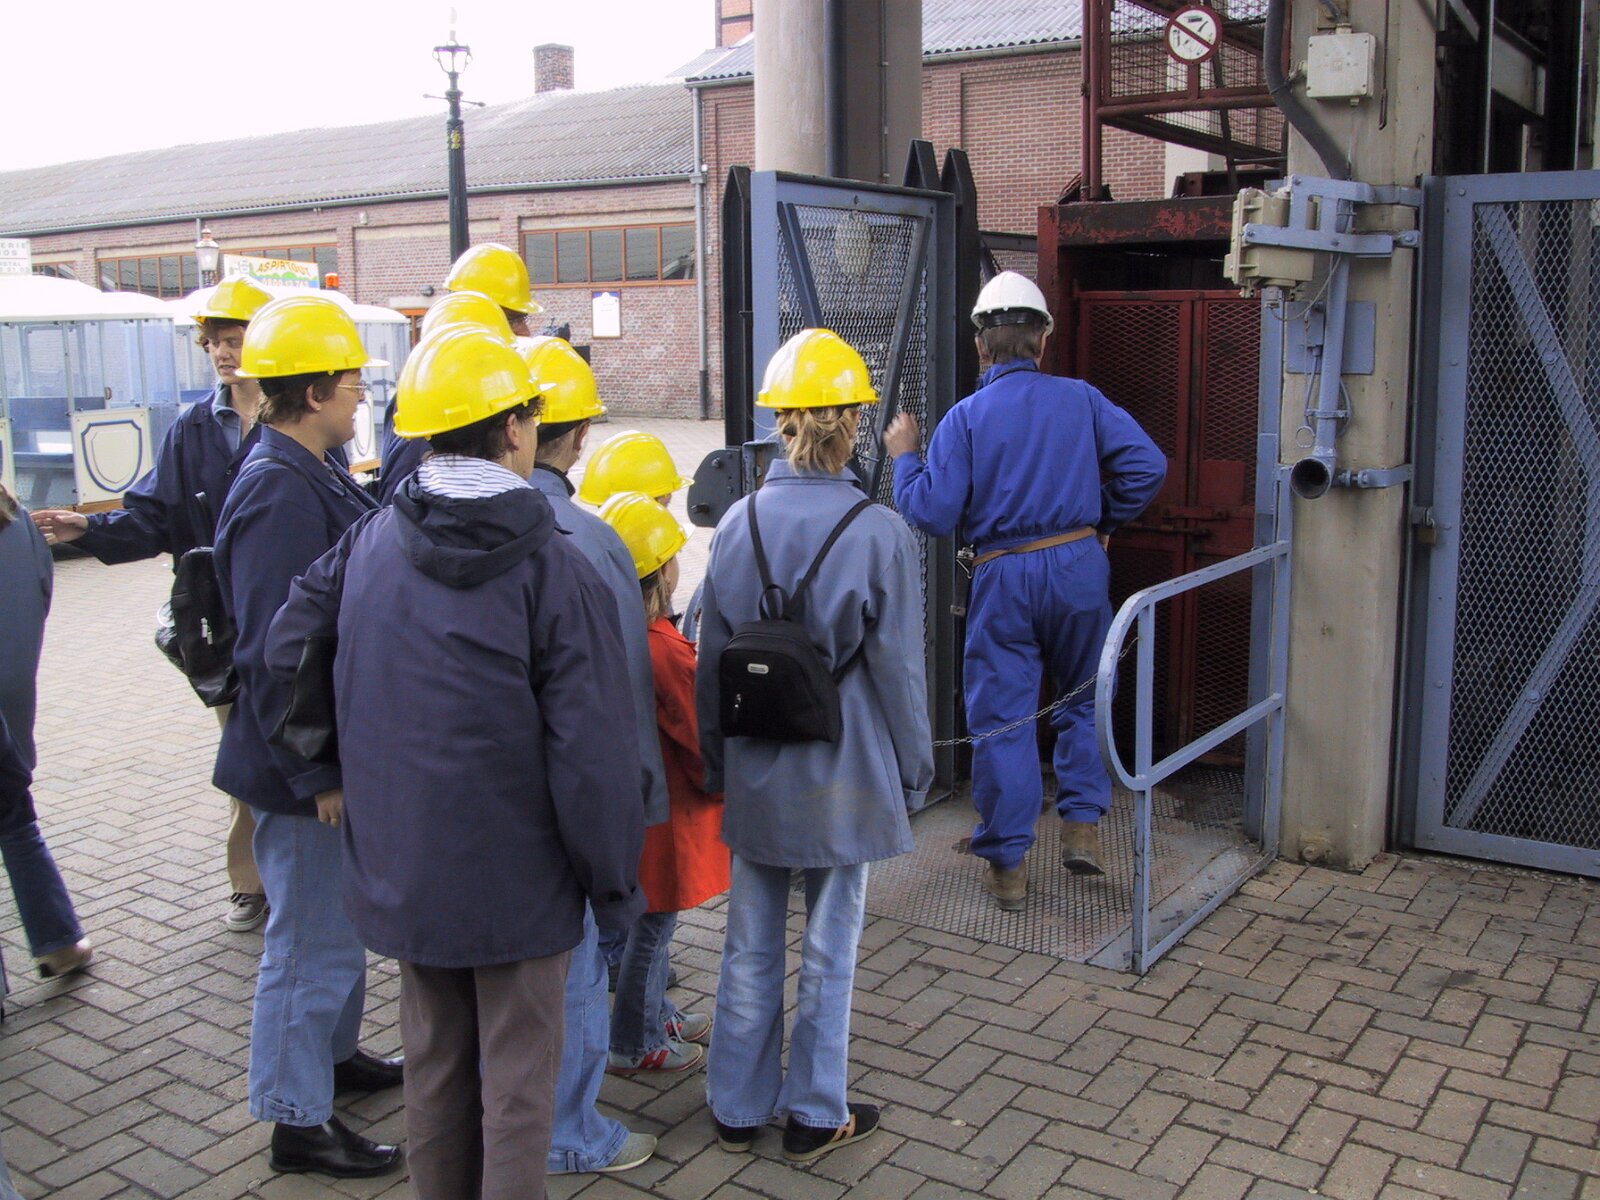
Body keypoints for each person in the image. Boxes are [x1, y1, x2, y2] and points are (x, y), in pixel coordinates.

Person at [266, 326, 645, 1200]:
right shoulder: (559, 569)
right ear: (513, 428)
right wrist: (613, 886)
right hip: (522, 885)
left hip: (405, 868)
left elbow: (288, 649)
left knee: (434, 1072)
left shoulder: (367, 542)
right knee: (518, 1089)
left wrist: (331, 772)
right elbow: (593, 758)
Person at [696, 328, 933, 1161]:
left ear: (783, 419)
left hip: (757, 765)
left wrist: (716, 761)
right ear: (852, 425)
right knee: (831, 946)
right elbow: (900, 672)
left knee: (749, 939)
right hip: (846, 772)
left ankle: (735, 1105)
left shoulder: (737, 523)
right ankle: (813, 1113)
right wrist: (914, 773)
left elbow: (710, 661)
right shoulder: (880, 531)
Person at [885, 271, 1166, 909]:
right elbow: (1147, 464)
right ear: (1044, 339)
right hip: (1077, 566)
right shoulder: (1083, 399)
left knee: (1004, 719)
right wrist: (1099, 525)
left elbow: (932, 511)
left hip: (1003, 573)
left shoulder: (964, 418)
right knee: (1082, 698)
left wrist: (905, 455)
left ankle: (1008, 865)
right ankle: (1082, 826)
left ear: (981, 346)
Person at [212, 294, 402, 1178]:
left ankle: (332, 1058)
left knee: (335, 924)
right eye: (353, 382)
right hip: (298, 769)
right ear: (316, 391)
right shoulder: (277, 490)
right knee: (308, 940)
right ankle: (297, 1120)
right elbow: (274, 651)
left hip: (314, 757)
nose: (362, 396)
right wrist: (320, 769)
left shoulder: (306, 467)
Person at [31, 276, 278, 934]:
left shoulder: (297, 418)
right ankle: (251, 880)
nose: (222, 352)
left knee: (299, 747)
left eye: (235, 338)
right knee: (244, 748)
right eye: (214, 342)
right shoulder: (191, 430)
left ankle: (303, 875)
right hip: (223, 628)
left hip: (290, 617)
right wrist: (89, 530)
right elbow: (153, 518)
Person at [524, 335, 670, 1176]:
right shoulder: (590, 540)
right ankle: (569, 1132)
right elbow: (623, 699)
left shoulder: (399, 528)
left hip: (466, 805)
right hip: (569, 799)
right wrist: (640, 807)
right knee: (576, 964)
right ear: (578, 436)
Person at [597, 492, 727, 1076]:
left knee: (648, 926)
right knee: (653, 930)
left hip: (638, 812)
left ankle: (655, 1013)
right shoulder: (662, 651)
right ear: (662, 570)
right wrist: (723, 782)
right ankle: (636, 1039)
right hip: (668, 817)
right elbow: (699, 738)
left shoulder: (621, 637)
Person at [576, 429, 694, 987]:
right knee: (642, 922)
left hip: (606, 796)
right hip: (649, 805)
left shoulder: (585, 589)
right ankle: (638, 1009)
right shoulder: (659, 645)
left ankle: (621, 983)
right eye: (664, 501)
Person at [0, 484, 91, 981]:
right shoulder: (17, 522)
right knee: (15, 820)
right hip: (12, 705)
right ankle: (58, 941)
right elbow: (40, 597)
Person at [377, 242, 541, 505]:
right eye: (514, 319)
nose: (525, 333)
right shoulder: (435, 410)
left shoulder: (428, 394)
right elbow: (398, 507)